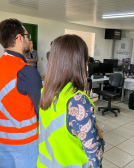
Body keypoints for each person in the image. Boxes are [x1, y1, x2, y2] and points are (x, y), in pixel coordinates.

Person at [38, 34, 104, 168]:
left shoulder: (45, 92)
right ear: (80, 62)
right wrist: (100, 136)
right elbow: (95, 157)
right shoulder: (77, 101)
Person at [0, 18, 42, 167]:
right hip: (23, 140)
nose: (28, 40)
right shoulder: (28, 70)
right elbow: (41, 109)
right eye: (26, 36)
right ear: (19, 38)